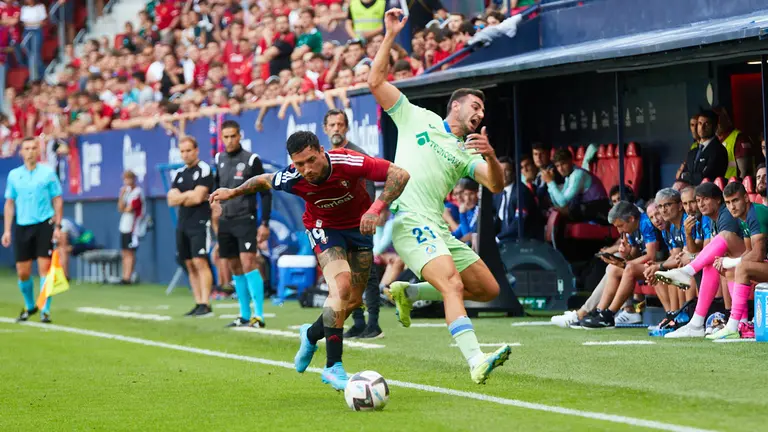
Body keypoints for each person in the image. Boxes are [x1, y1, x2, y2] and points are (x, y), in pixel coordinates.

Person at [368, 8, 512, 385]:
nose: (480, 114)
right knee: (452, 285)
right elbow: (375, 80)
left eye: (483, 110)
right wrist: (389, 35)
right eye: (475, 107)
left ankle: (409, 290)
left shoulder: (467, 152)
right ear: (456, 106)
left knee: (487, 288)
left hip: (436, 227)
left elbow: (495, 185)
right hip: (410, 220)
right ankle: (476, 359)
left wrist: (491, 155)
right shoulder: (417, 117)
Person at [209, 131, 410, 391]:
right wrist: (234, 192)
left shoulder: (348, 162)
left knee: (352, 301)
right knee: (341, 286)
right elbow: (263, 180)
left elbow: (400, 174)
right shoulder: (293, 176)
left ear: (322, 151)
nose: (306, 169)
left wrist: (375, 209)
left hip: (359, 229)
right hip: (323, 229)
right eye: (299, 164)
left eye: (311, 160)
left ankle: (311, 334)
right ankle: (332, 366)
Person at [655, 182, 766, 338]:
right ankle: (700, 323)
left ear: (746, 198)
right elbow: (748, 250)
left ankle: (733, 323)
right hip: (757, 264)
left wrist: (730, 261)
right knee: (716, 265)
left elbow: (758, 255)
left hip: (761, 263)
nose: (732, 206)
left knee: (728, 252)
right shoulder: (740, 217)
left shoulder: (751, 213)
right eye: (729, 202)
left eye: (735, 201)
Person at [322, 108, 383, 339]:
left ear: (346, 127)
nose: (336, 128)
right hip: (337, 224)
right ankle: (358, 322)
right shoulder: (325, 157)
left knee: (367, 274)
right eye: (332, 125)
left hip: (359, 223)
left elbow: (368, 189)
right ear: (325, 129)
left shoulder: (358, 154)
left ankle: (374, 324)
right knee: (346, 274)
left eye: (340, 124)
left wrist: (367, 216)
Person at [212, 120, 272, 328]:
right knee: (234, 266)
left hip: (246, 218)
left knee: (249, 263)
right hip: (225, 221)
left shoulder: (251, 160)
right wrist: (216, 209)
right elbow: (216, 188)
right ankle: (244, 314)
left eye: (233, 136)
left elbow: (265, 193)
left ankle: (260, 316)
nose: (229, 140)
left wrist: (264, 223)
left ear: (240, 136)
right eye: (225, 137)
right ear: (222, 138)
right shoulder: (218, 158)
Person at [3, 137, 63, 323]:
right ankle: (30, 306)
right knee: (23, 271)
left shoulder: (48, 174)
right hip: (23, 225)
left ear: (38, 151)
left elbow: (58, 199)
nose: (30, 151)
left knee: (45, 268)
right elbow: (9, 203)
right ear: (21, 152)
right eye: (26, 148)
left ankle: (45, 309)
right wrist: (6, 230)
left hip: (44, 223)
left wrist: (58, 226)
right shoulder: (14, 175)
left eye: (33, 148)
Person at [578, 201, 660, 328]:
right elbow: (633, 254)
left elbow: (651, 256)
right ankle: (600, 311)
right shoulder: (631, 229)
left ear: (631, 219)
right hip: (647, 266)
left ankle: (609, 314)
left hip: (659, 263)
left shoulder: (645, 223)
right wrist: (626, 254)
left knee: (629, 269)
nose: (619, 230)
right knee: (613, 268)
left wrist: (626, 263)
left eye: (621, 225)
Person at [167, 136, 215, 317]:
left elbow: (198, 197)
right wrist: (189, 196)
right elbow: (171, 199)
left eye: (188, 150)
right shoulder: (179, 173)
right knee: (188, 263)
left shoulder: (204, 169)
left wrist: (184, 196)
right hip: (183, 223)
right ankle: (198, 301)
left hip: (200, 221)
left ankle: (206, 303)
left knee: (199, 261)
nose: (185, 154)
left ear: (196, 150)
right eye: (182, 151)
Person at [542, 148, 609, 224]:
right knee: (553, 210)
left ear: (571, 161)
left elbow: (562, 202)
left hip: (600, 210)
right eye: (557, 166)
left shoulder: (578, 174)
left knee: (563, 210)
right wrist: (549, 183)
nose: (561, 169)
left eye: (563, 164)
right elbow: (557, 202)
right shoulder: (568, 177)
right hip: (588, 209)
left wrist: (550, 182)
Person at [494, 156, 539, 241]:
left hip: (523, 242)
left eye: (506, 171)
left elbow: (518, 222)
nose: (502, 174)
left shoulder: (522, 192)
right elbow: (491, 216)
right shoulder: (498, 193)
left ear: (514, 173)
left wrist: (498, 238)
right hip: (505, 241)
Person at [679, 111, 728, 185]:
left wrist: (687, 177)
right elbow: (682, 175)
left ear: (715, 127)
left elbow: (706, 177)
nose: (702, 127)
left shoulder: (718, 151)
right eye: (700, 123)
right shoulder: (692, 152)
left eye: (707, 124)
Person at [117, 170, 146, 285]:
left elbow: (129, 209)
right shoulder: (126, 192)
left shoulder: (138, 192)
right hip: (124, 226)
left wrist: (124, 207)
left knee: (130, 252)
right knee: (124, 252)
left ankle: (128, 277)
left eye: (128, 178)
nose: (126, 182)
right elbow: (120, 208)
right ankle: (124, 275)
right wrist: (122, 195)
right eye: (125, 179)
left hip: (133, 227)